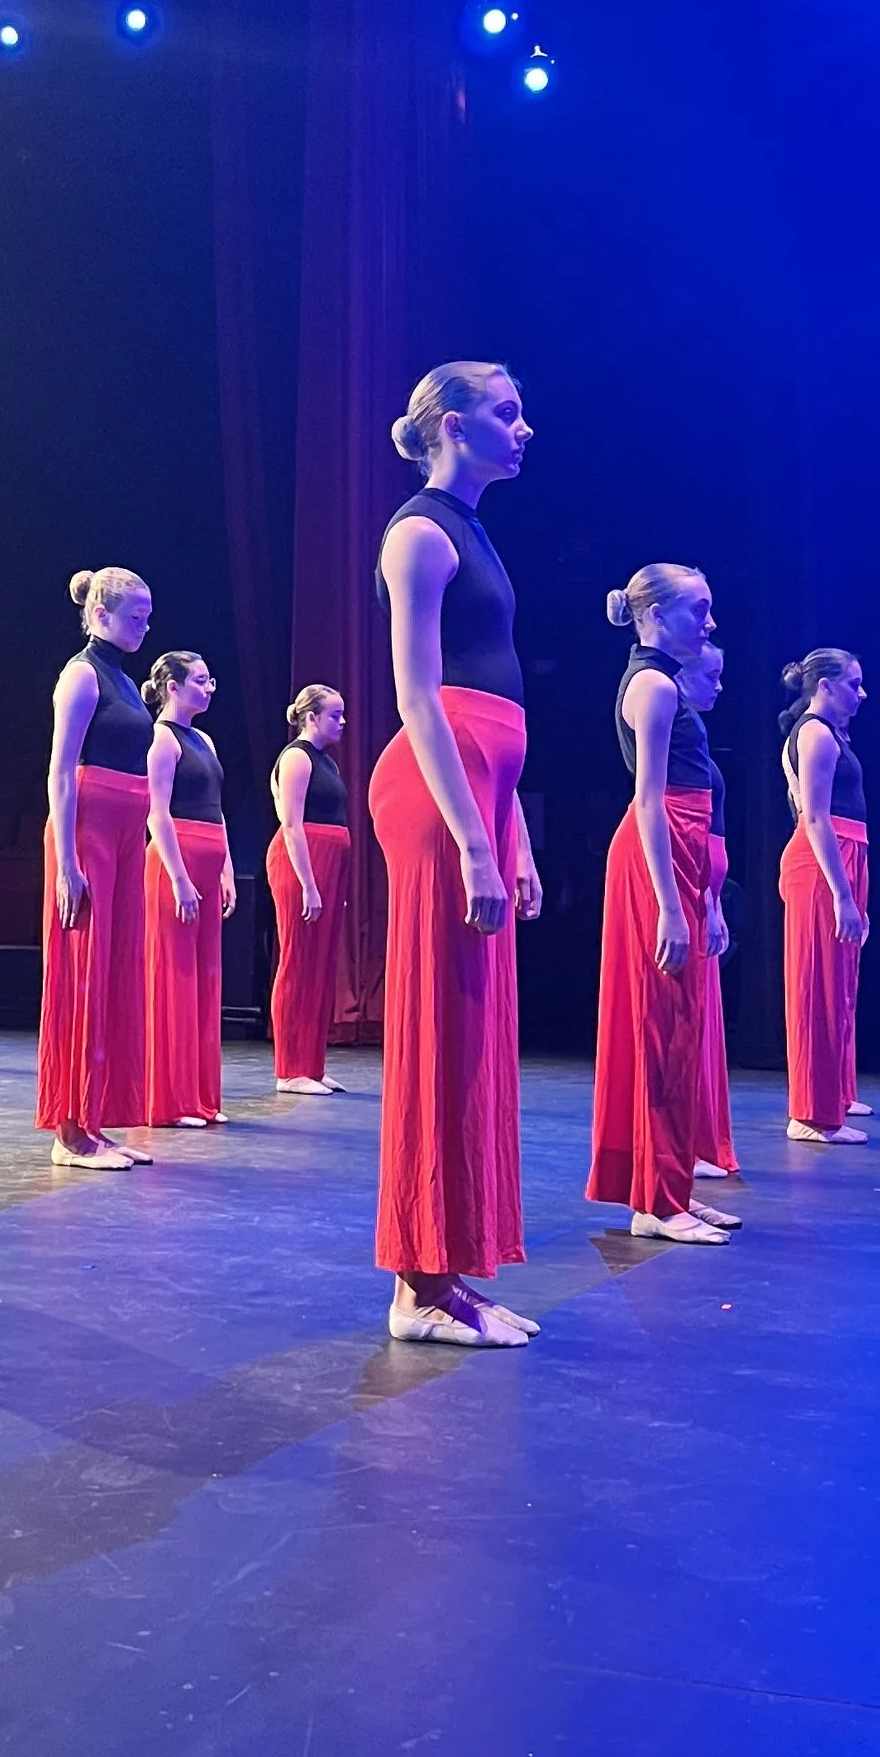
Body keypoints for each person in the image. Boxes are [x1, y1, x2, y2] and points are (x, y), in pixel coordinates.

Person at [372, 362, 543, 1346]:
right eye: (506, 411)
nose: (525, 428)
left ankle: (449, 1271)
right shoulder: (420, 533)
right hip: (439, 799)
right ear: (450, 423)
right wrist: (476, 840)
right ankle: (415, 1286)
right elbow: (417, 698)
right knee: (441, 1034)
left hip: (480, 798)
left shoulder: (474, 530)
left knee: (473, 1038)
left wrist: (508, 830)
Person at [587, 565, 739, 1244]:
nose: (709, 623)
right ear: (655, 613)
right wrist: (672, 905)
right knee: (660, 1028)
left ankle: (670, 1185)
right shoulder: (651, 685)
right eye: (698, 609)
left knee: (681, 1031)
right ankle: (655, 1199)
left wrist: (703, 898)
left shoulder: (669, 685)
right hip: (659, 853)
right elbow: (648, 798)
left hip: (680, 852)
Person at [35, 566, 155, 1169]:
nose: (145, 626)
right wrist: (67, 862)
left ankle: (95, 1118)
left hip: (126, 836)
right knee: (82, 974)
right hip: (89, 836)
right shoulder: (81, 674)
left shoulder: (126, 681)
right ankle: (70, 1132)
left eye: (147, 616)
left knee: (113, 973)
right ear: (101, 614)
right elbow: (60, 771)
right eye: (136, 616)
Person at [780, 648, 872, 1144]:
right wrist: (841, 893)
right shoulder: (814, 733)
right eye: (853, 683)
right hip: (823, 860)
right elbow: (813, 816)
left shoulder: (831, 734)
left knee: (839, 983)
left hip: (844, 854)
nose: (861, 693)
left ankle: (833, 1092)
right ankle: (810, 1113)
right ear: (825, 686)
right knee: (816, 985)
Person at [142, 650, 236, 1128]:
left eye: (210, 678)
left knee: (206, 978)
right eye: (200, 680)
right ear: (172, 687)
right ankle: (170, 1098)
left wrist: (226, 870)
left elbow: (217, 809)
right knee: (174, 978)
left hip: (207, 857)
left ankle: (201, 1094)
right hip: (173, 862)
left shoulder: (205, 740)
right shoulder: (161, 739)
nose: (210, 687)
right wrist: (179, 879)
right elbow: (157, 814)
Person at [265, 683, 351, 1095]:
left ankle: (312, 1065)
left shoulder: (327, 762)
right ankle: (290, 1069)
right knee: (298, 963)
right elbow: (292, 824)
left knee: (320, 967)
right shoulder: (297, 758)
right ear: (311, 717)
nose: (342, 722)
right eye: (335, 715)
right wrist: (309, 885)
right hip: (303, 862)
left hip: (328, 865)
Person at [681, 641, 739, 1181]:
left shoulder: (696, 734)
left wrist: (714, 900)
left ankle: (697, 1139)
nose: (719, 686)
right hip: (686, 879)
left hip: (703, 888)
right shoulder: (659, 702)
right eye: (712, 675)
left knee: (701, 1020)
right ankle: (683, 1146)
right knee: (684, 1021)